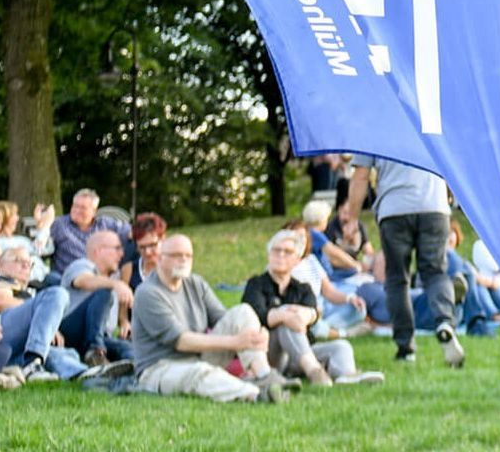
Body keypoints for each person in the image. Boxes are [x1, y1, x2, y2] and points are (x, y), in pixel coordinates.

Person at [130, 234, 292, 403]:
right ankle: (256, 394)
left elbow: (227, 319)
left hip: (199, 357)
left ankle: (263, 375)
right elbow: (181, 341)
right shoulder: (147, 293)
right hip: (160, 368)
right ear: (160, 258)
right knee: (200, 372)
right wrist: (236, 342)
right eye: (177, 255)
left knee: (243, 312)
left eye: (188, 255)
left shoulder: (195, 283)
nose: (184, 260)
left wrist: (256, 337)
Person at [343, 156, 463, 366]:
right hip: (434, 206)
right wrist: (449, 195)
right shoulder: (433, 120)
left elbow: (360, 176)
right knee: (435, 273)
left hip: (394, 209)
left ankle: (405, 348)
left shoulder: (374, 124)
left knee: (397, 279)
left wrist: (352, 219)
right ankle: (445, 322)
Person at [242, 230, 381, 386]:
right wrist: (285, 315)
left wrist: (306, 315)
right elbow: (258, 315)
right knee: (285, 324)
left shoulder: (303, 288)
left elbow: (313, 317)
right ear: (269, 255)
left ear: (297, 259)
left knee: (342, 346)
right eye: (276, 250)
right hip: (269, 355)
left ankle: (347, 375)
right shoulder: (256, 284)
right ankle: (315, 372)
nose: (281, 255)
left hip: (301, 351)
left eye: (287, 252)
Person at [60, 229, 135, 365]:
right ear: (99, 250)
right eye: (117, 248)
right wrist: (115, 284)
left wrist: (124, 323)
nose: (122, 254)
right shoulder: (81, 265)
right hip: (71, 332)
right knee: (104, 293)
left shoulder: (113, 278)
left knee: (128, 348)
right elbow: (83, 281)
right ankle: (95, 353)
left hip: (100, 336)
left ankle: (134, 371)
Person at [0, 246, 70, 381]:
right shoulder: (2, 279)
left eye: (28, 262)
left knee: (64, 354)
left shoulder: (33, 287)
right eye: (17, 260)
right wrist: (41, 312)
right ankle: (32, 362)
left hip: (15, 349)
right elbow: (1, 301)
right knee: (58, 293)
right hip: (2, 331)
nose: (25, 265)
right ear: (1, 265)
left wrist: (46, 322)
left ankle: (86, 374)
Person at [48, 189, 130, 276]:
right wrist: (43, 226)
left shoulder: (104, 223)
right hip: (70, 277)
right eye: (75, 206)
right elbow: (42, 247)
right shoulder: (60, 224)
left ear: (94, 212)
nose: (77, 210)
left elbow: (129, 231)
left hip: (100, 276)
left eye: (83, 208)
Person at [121, 213, 167, 294]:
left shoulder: (171, 268)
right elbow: (122, 306)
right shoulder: (129, 270)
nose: (147, 252)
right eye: (142, 247)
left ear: (163, 239)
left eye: (152, 245)